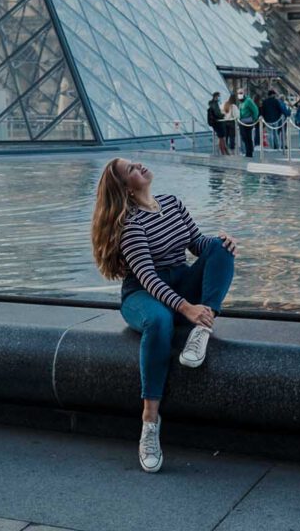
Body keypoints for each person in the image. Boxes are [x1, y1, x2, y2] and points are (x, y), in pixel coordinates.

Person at [92, 158, 237, 473]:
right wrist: (187, 308)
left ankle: (202, 329)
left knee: (221, 250)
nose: (139, 166)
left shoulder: (173, 204)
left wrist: (220, 242)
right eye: (131, 169)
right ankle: (149, 423)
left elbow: (198, 244)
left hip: (179, 282)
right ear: (126, 188)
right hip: (142, 295)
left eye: (135, 163)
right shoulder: (130, 224)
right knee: (159, 321)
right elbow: (148, 279)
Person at [237, 89, 259, 157]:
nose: (239, 94)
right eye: (238, 93)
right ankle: (249, 150)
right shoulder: (240, 102)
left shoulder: (248, 101)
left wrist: (254, 118)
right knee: (244, 137)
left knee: (247, 136)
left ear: (244, 93)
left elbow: (255, 109)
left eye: (241, 93)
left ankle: (249, 152)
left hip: (248, 121)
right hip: (241, 122)